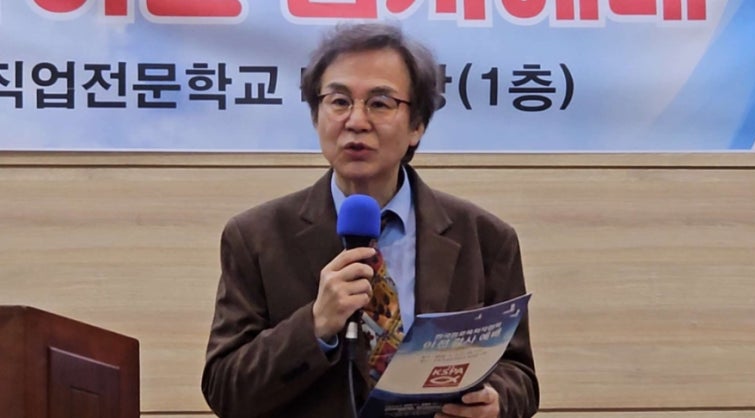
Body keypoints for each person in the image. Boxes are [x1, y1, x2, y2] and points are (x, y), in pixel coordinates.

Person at [201, 22, 539, 418]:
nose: (356, 121)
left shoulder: (485, 239)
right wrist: (315, 325)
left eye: (380, 103)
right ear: (316, 116)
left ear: (417, 126)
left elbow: (520, 375)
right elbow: (225, 388)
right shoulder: (257, 237)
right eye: (339, 101)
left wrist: (497, 401)